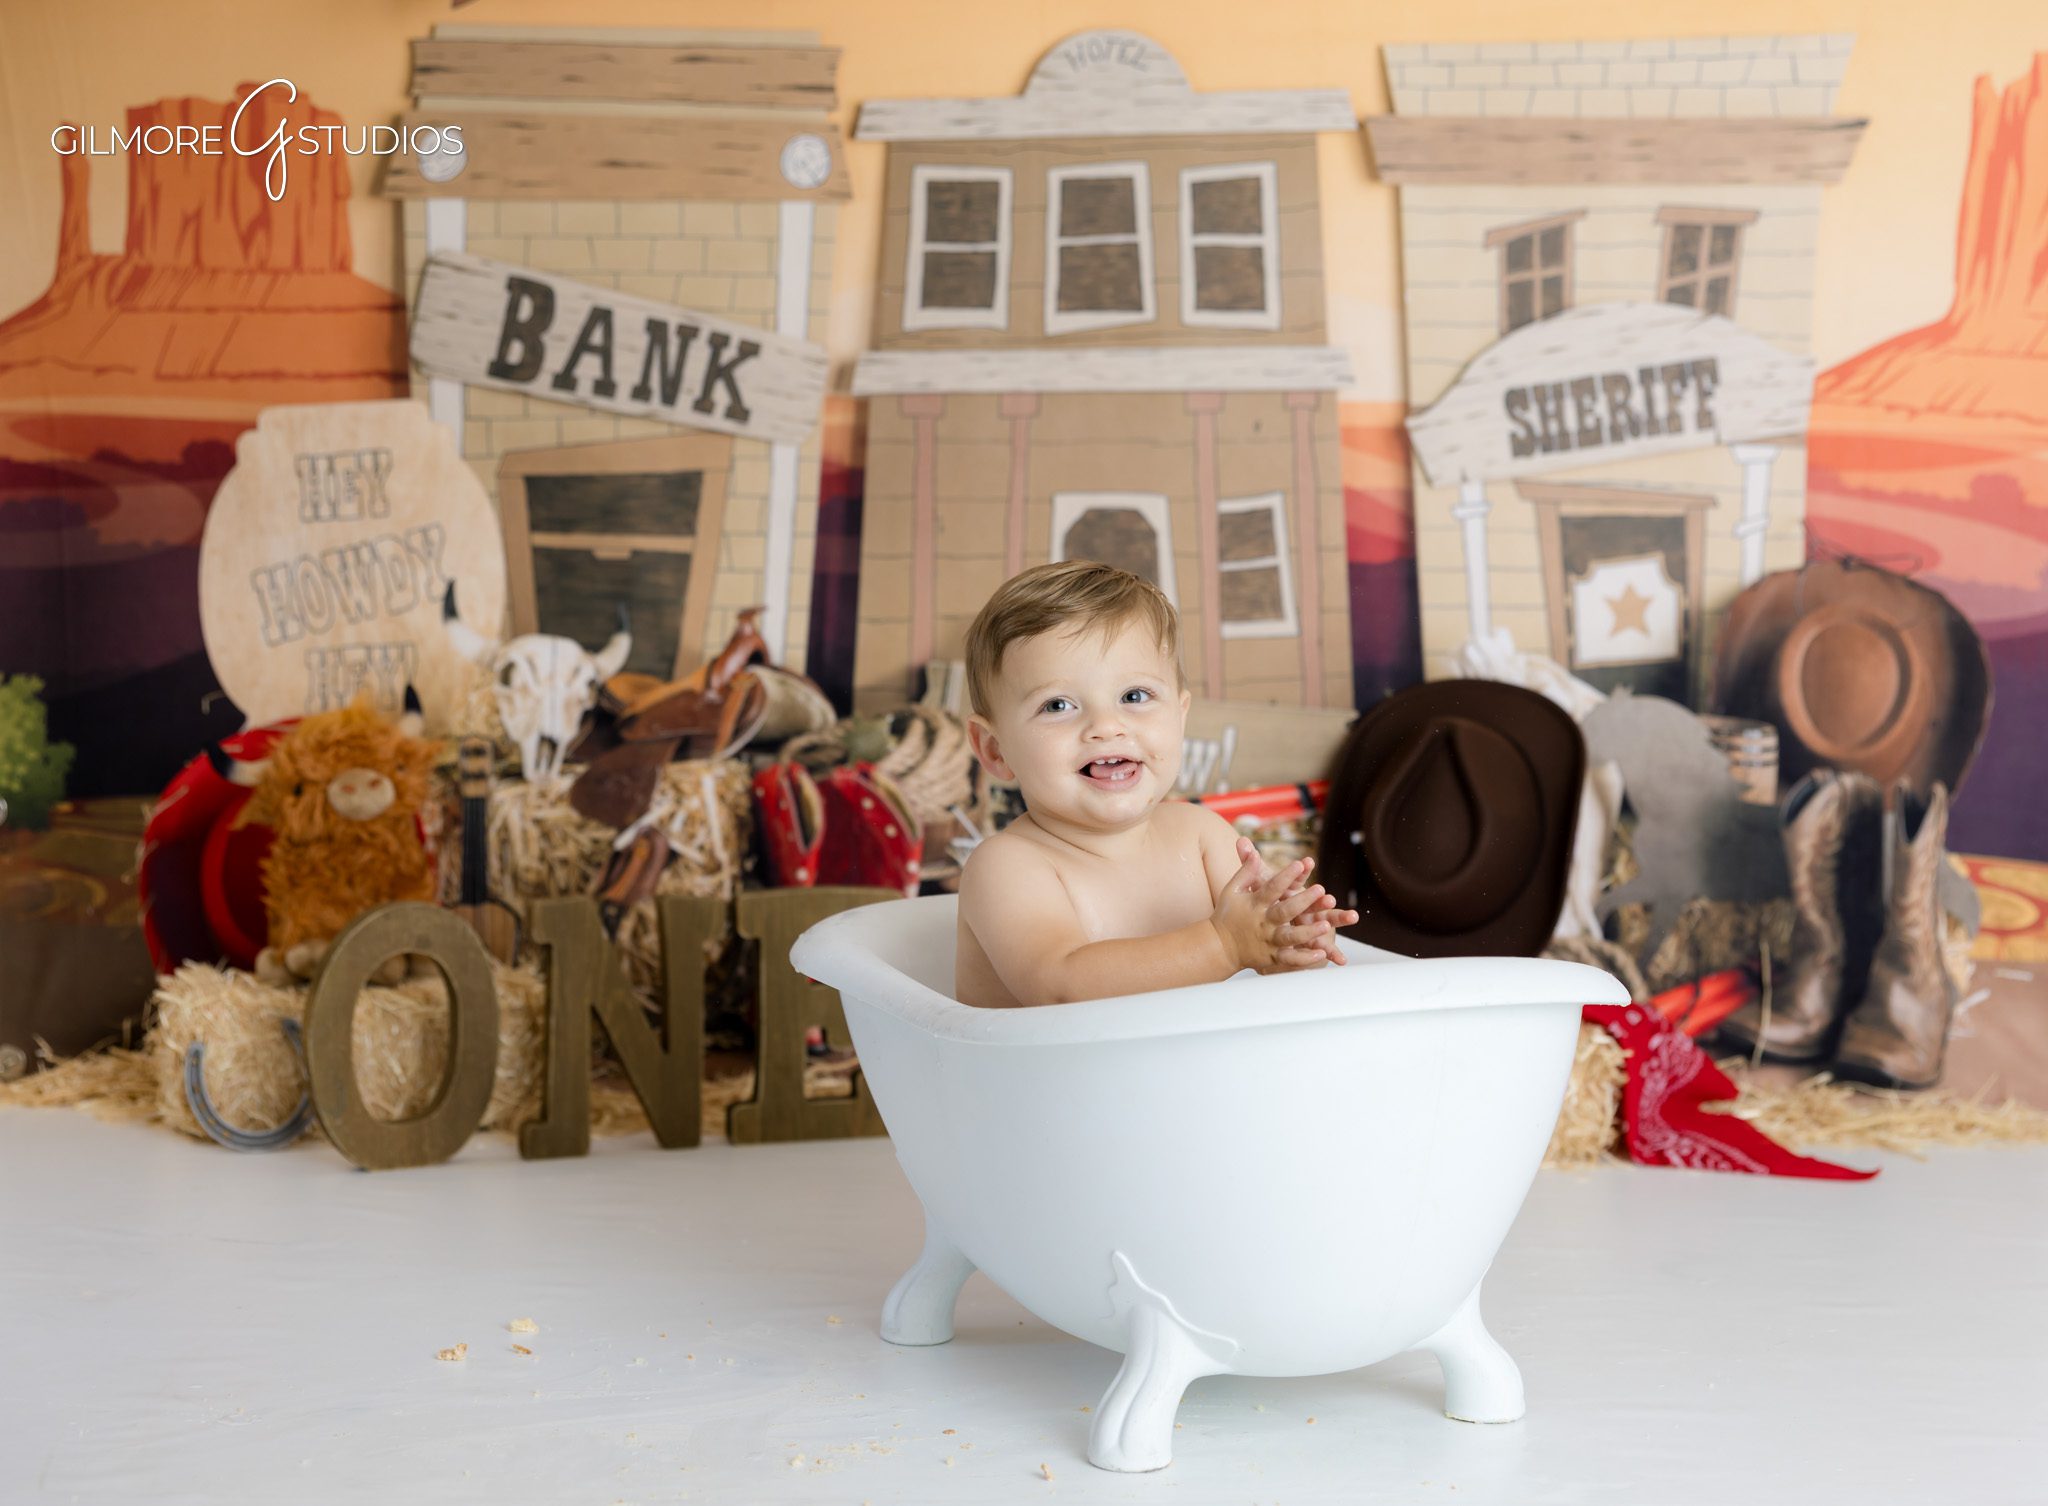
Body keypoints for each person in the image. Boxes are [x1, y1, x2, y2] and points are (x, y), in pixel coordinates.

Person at [955, 560, 1357, 1007]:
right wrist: (1224, 945)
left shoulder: (1202, 837)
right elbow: (1059, 987)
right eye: (1058, 705)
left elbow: (1262, 956)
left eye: (1134, 696)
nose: (1107, 726)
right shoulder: (1007, 867)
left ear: (1180, 716)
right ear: (994, 748)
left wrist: (1290, 940)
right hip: (1044, 1078)